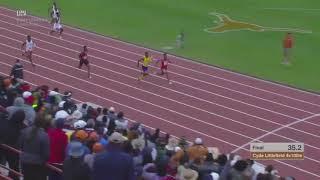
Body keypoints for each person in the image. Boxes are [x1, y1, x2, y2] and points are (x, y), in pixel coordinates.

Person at [19, 114, 50, 180]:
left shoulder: (25, 131)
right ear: (43, 123)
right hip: (37, 164)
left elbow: (20, 145)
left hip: (25, 161)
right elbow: (46, 154)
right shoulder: (44, 136)